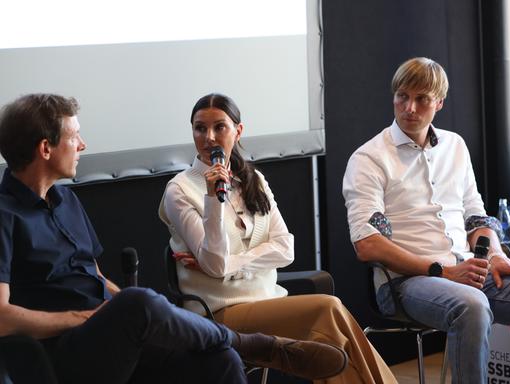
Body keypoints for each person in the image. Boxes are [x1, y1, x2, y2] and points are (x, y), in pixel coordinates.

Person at [0, 93, 348, 384]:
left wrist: (124, 311)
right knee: (137, 301)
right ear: (46, 148)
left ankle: (238, 345)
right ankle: (253, 343)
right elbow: (2, 317)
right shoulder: (4, 215)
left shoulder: (66, 201)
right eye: (74, 137)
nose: (83, 145)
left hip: (112, 334)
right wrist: (85, 318)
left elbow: (94, 275)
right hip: (63, 353)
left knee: (220, 359)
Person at [158, 92, 398, 384]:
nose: (209, 137)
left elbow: (286, 249)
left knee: (331, 334)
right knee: (328, 308)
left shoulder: (253, 180)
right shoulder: (179, 190)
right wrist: (213, 200)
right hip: (218, 313)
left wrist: (235, 263)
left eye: (219, 127)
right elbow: (215, 265)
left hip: (269, 301)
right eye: (199, 128)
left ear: (238, 131)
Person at [343, 57, 510, 383]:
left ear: (439, 102)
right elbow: (367, 245)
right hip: (405, 283)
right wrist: (445, 271)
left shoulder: (455, 146)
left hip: (465, 269)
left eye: (421, 99)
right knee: (473, 306)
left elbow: (476, 216)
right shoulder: (369, 159)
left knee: (474, 297)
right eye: (402, 96)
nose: (409, 107)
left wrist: (495, 254)